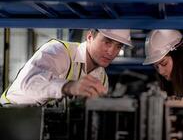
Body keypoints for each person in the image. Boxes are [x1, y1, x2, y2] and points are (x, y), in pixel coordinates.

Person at [1, 29, 133, 105]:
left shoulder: (102, 78)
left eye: (118, 46)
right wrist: (69, 87)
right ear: (90, 36)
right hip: (10, 118)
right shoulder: (59, 51)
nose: (111, 51)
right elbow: (30, 83)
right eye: (107, 42)